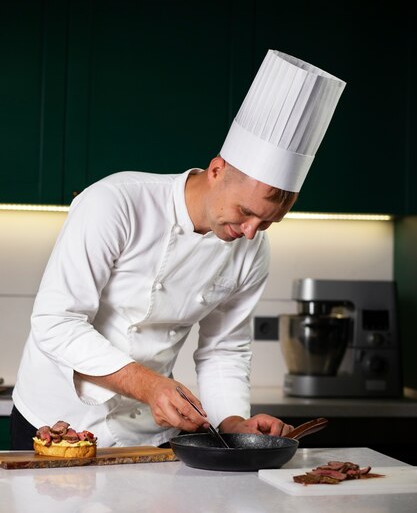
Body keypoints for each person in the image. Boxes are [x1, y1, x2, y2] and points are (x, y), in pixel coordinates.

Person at [11, 50, 346, 449]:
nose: (251, 233)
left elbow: (225, 348)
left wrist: (234, 421)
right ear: (217, 169)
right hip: (56, 421)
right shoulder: (116, 203)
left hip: (149, 434)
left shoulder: (252, 249)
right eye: (245, 212)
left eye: (269, 222)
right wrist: (150, 385)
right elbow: (55, 322)